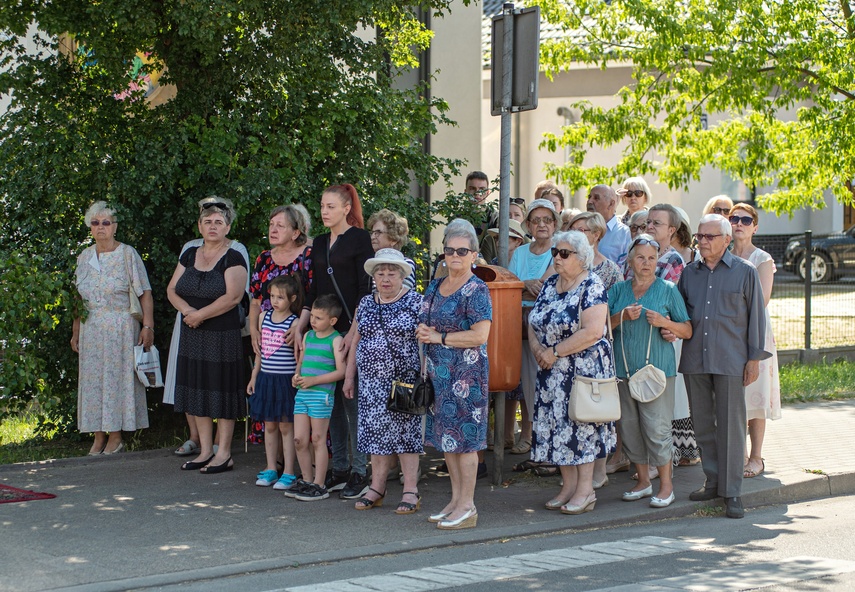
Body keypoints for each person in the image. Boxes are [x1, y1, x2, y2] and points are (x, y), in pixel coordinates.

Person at [678, 214, 770, 519]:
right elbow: (680, 315)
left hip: (731, 360)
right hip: (696, 360)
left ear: (727, 240)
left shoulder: (745, 272)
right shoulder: (689, 273)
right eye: (699, 236)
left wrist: (754, 359)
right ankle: (714, 480)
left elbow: (757, 317)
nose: (702, 242)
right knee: (703, 425)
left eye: (709, 237)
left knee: (731, 426)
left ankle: (732, 493)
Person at [527, 230, 616, 515]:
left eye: (564, 253)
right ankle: (567, 487)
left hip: (581, 372)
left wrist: (553, 352)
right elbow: (533, 320)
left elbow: (593, 331)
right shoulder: (550, 284)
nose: (557, 258)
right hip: (550, 371)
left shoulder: (592, 284)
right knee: (557, 430)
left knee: (581, 428)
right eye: (555, 252)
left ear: (582, 257)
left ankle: (585, 490)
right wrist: (538, 351)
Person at [416, 219, 492, 530]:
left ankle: (468, 505)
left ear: (474, 254)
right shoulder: (436, 285)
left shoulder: (477, 289)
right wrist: (425, 331)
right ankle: (455, 500)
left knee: (467, 442)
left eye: (462, 251)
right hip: (439, 375)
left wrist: (440, 338)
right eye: (449, 250)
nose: (455, 256)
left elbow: (480, 335)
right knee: (447, 440)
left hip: (467, 376)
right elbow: (425, 319)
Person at [609, 235, 692, 508]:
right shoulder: (618, 291)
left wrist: (663, 321)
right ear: (630, 261)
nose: (646, 263)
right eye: (641, 258)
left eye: (652, 258)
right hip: (623, 370)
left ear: (658, 262)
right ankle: (643, 482)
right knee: (631, 429)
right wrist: (621, 316)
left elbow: (687, 329)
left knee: (657, 429)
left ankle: (666, 486)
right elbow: (602, 328)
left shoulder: (668, 289)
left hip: (657, 372)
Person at [301, 184, 373, 499]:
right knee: (330, 404)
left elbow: (364, 289)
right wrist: (302, 329)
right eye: (322, 205)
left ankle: (361, 471)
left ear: (346, 208)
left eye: (331, 206)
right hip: (324, 334)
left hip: (351, 331)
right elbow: (312, 289)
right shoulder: (318, 243)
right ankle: (340, 468)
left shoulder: (359, 239)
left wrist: (353, 333)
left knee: (351, 402)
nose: (324, 211)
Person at [167, 196, 248, 474]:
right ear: (199, 227)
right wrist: (188, 310)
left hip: (221, 336)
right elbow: (171, 290)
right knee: (196, 392)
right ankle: (204, 451)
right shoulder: (189, 254)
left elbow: (233, 297)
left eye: (218, 222)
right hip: (192, 334)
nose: (213, 226)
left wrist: (200, 315)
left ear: (227, 228)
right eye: (207, 222)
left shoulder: (234, 256)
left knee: (221, 392)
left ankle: (223, 454)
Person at [344, 249, 424, 513]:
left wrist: (424, 377)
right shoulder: (366, 303)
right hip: (370, 382)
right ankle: (376, 487)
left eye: (392, 273)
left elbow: (427, 341)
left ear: (402, 276)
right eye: (381, 273)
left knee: (405, 435)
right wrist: (349, 375)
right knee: (374, 434)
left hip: (404, 380)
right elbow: (356, 339)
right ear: (374, 276)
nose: (386, 278)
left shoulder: (416, 302)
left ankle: (411, 490)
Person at [72, 201, 153, 455]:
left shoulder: (127, 254)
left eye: (106, 223)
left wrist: (148, 325)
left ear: (114, 227)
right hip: (91, 329)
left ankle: (116, 436)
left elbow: (145, 292)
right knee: (93, 382)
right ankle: (97, 437)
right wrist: (75, 331)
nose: (100, 227)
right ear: (90, 227)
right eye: (95, 223)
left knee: (117, 381)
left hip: (120, 327)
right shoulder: (84, 257)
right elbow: (77, 298)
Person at [729, 203, 781, 479]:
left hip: (754, 332)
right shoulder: (721, 254)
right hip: (726, 335)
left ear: (755, 227)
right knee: (733, 397)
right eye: (734, 218)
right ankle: (738, 454)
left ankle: (756, 456)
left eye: (745, 220)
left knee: (755, 395)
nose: (739, 223)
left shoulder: (762, 258)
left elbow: (761, 300)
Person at [508, 199, 561, 459]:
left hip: (550, 328)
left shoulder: (559, 251)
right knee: (528, 382)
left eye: (547, 220)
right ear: (528, 225)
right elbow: (509, 285)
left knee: (548, 382)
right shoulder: (519, 253)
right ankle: (530, 436)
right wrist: (525, 283)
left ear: (555, 224)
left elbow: (547, 286)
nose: (541, 225)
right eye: (536, 220)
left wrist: (526, 284)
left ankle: (547, 441)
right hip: (521, 323)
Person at [287, 296, 346, 501]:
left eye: (318, 318)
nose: (312, 320)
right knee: (299, 439)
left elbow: (342, 371)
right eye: (312, 315)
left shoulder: (336, 340)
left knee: (318, 439)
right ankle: (307, 480)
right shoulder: (308, 336)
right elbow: (301, 362)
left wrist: (315, 380)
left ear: (332, 321)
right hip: (303, 394)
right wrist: (297, 375)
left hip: (321, 396)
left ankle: (319, 484)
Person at [247, 275, 302, 490]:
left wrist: (297, 375)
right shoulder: (263, 317)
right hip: (266, 379)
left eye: (280, 297)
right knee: (269, 426)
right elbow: (260, 351)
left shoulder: (295, 323)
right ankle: (271, 468)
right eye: (272, 296)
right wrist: (254, 377)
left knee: (286, 427)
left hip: (285, 382)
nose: (275, 301)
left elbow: (300, 354)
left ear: (292, 298)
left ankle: (289, 472)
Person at [249, 204, 313, 358]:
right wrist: (254, 330)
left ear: (295, 233)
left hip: (300, 338)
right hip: (268, 341)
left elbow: (315, 298)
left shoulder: (309, 256)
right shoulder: (263, 258)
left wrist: (300, 328)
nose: (273, 230)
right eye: (271, 224)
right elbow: (256, 301)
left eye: (280, 226)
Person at [626, 204, 685, 282]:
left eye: (656, 223)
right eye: (648, 222)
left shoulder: (674, 261)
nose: (649, 226)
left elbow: (671, 293)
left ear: (671, 230)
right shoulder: (635, 251)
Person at [568, 211, 624, 291]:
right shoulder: (564, 260)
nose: (573, 235)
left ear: (596, 235)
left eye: (580, 231)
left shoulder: (610, 270)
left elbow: (618, 299)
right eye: (571, 230)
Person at [367, 208, 416, 289]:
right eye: (372, 233)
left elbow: (400, 297)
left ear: (393, 239)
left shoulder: (405, 264)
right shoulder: (371, 264)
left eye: (378, 233)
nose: (372, 237)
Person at [586, 184, 631, 264]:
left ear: (611, 204)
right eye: (589, 197)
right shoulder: (581, 228)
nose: (589, 201)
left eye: (596, 198)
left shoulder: (624, 233)